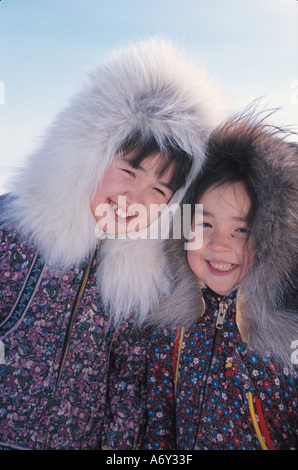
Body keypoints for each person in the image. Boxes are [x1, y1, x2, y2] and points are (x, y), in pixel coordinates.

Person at [0, 37, 226, 450]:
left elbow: (127, 388)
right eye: (128, 170)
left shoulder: (142, 278)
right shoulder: (14, 233)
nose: (135, 199)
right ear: (89, 152)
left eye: (159, 190)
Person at [144, 112, 298, 450]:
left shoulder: (287, 343)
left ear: (273, 240)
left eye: (242, 229)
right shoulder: (167, 333)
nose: (219, 245)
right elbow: (155, 432)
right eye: (204, 224)